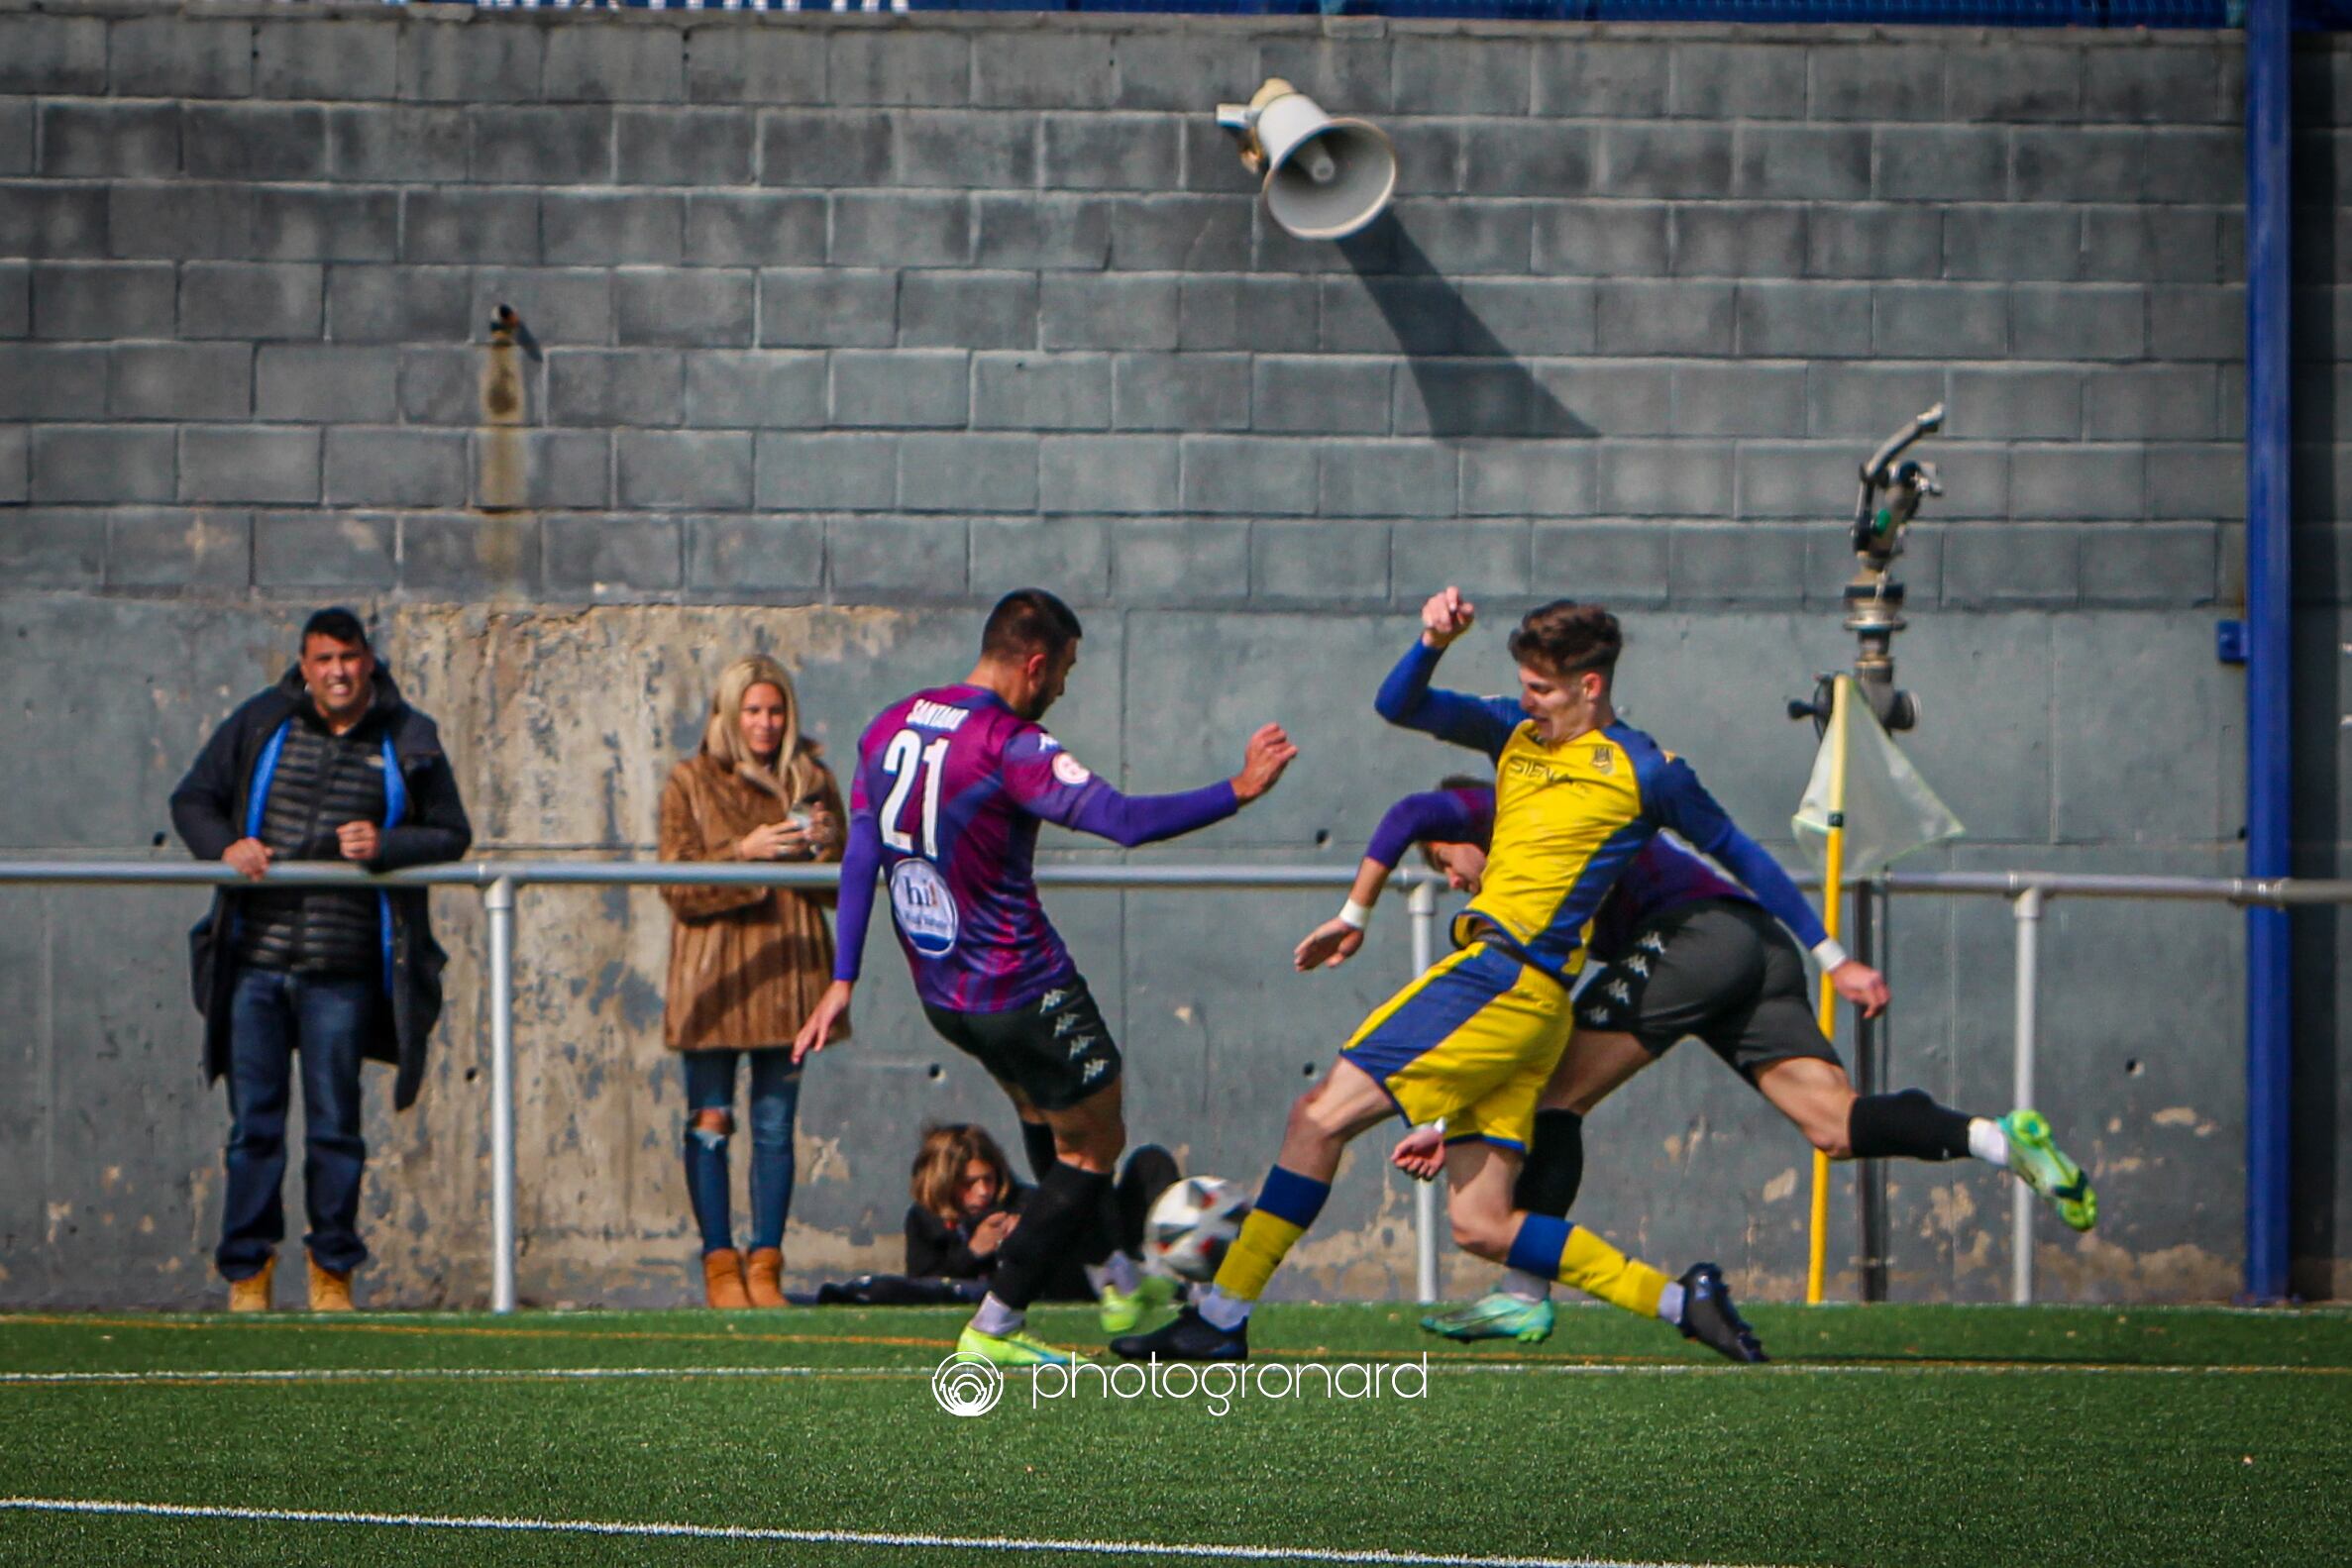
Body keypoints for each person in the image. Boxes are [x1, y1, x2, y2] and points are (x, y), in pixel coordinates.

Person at [1116, 587, 1831, 1365]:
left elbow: (1744, 854)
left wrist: (1830, 953)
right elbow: (1400, 703)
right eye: (1522, 682)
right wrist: (1432, 640)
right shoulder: (1512, 732)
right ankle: (1680, 1300)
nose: (1527, 700)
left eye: (1543, 689)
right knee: (1483, 1223)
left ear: (1591, 687)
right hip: (1530, 1005)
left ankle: (1220, 1318)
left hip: (1498, 977)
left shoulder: (1647, 770)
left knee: (1316, 1119)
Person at [1302, 780, 2100, 1343]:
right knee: (1834, 1124)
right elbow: (1516, 1037)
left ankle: (1523, 1292)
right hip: (1752, 944)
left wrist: (1449, 1115)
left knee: (1555, 1101)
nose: (1450, 879)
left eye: (1448, 861)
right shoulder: (1546, 867)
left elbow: (1523, 1047)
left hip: (1692, 936)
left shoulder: (1520, 823)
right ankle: (2000, 1138)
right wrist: (1830, 960)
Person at [794, 588, 1297, 1367]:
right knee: (1098, 1142)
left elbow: (862, 850)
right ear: (1035, 663)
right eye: (1064, 669)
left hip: (945, 996)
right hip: (1024, 985)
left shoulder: (888, 723)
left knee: (1049, 1118)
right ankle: (996, 1325)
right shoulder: (1009, 743)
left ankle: (1121, 1286)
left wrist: (844, 978)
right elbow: (1124, 821)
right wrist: (1238, 789)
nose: (1062, 686)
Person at [170, 607, 472, 1312]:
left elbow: (452, 833)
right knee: (255, 1128)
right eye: (323, 659)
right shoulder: (261, 721)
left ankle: (332, 1270)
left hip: (344, 971)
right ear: (303, 666)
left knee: (337, 1126)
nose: (337, 671)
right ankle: (248, 1273)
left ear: (370, 660)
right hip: (253, 964)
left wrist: (388, 845)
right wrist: (225, 846)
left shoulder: (408, 735)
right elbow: (192, 800)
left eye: (349, 657)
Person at [659, 654, 845, 1309]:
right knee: (711, 1118)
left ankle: (765, 1264)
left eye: (775, 710)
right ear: (729, 713)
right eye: (753, 710)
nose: (766, 724)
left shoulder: (811, 776)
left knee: (775, 1125)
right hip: (717, 976)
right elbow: (678, 885)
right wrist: (745, 853)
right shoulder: (690, 780)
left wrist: (828, 844)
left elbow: (846, 887)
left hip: (790, 975)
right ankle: (719, 1266)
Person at [905, 1123, 1182, 1298]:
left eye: (988, 1179)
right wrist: (973, 1252)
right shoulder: (925, 1221)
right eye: (968, 1184)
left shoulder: (1022, 1200)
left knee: (1150, 1163)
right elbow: (921, 1285)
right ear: (942, 1183)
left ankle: (1160, 1269)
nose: (983, 1191)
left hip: (1098, 1268)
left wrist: (1032, 1229)